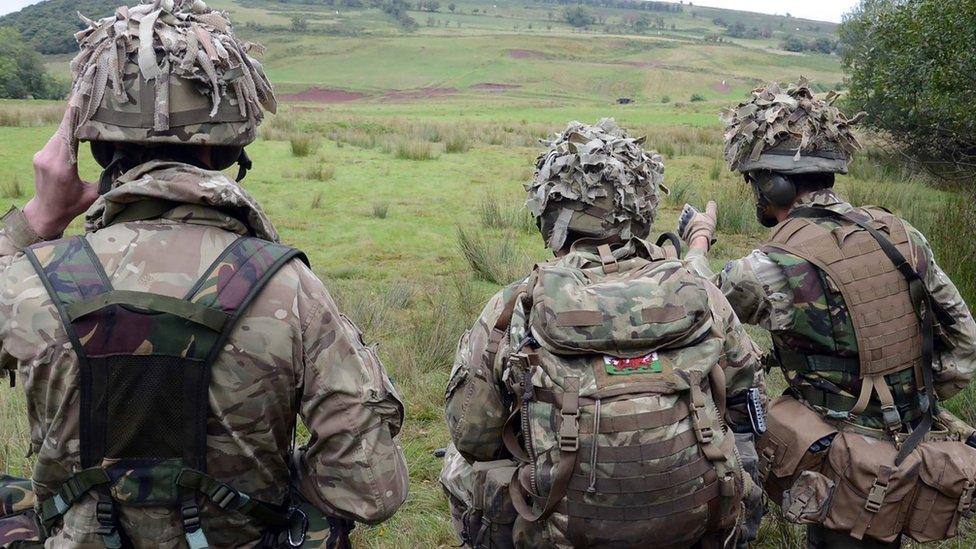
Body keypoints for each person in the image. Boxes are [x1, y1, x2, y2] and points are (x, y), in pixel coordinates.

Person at [0, 1, 408, 547]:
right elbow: (372, 487)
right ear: (232, 145)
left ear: (93, 146)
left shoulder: (30, 283)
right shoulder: (289, 289)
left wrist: (36, 221)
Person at [678, 78, 976, 548]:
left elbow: (696, 302)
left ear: (771, 184)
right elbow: (964, 341)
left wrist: (698, 240)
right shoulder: (900, 232)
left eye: (755, 182)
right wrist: (912, 400)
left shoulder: (770, 267)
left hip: (842, 457)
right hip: (914, 441)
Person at [441, 119, 765, 548]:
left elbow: (472, 435)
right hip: (694, 519)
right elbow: (747, 397)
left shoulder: (514, 306)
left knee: (454, 466)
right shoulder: (700, 291)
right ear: (643, 209)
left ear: (551, 216)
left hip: (560, 527)